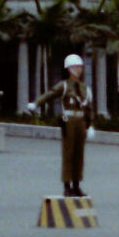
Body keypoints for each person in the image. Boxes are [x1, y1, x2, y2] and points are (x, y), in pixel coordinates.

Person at [27, 53, 96, 198]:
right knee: (68, 153)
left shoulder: (85, 88)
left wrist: (90, 125)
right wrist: (36, 103)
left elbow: (88, 108)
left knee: (79, 155)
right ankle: (67, 185)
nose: (79, 69)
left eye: (80, 67)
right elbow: (50, 94)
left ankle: (77, 185)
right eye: (75, 67)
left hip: (81, 122)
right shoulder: (64, 85)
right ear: (69, 68)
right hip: (68, 121)